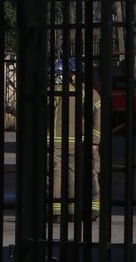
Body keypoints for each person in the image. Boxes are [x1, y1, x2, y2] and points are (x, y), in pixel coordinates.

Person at [48, 58, 101, 220]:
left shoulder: (55, 91)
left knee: (56, 175)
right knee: (77, 175)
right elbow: (98, 119)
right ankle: (75, 210)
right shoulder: (91, 93)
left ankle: (56, 211)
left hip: (56, 142)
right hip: (80, 142)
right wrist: (94, 142)